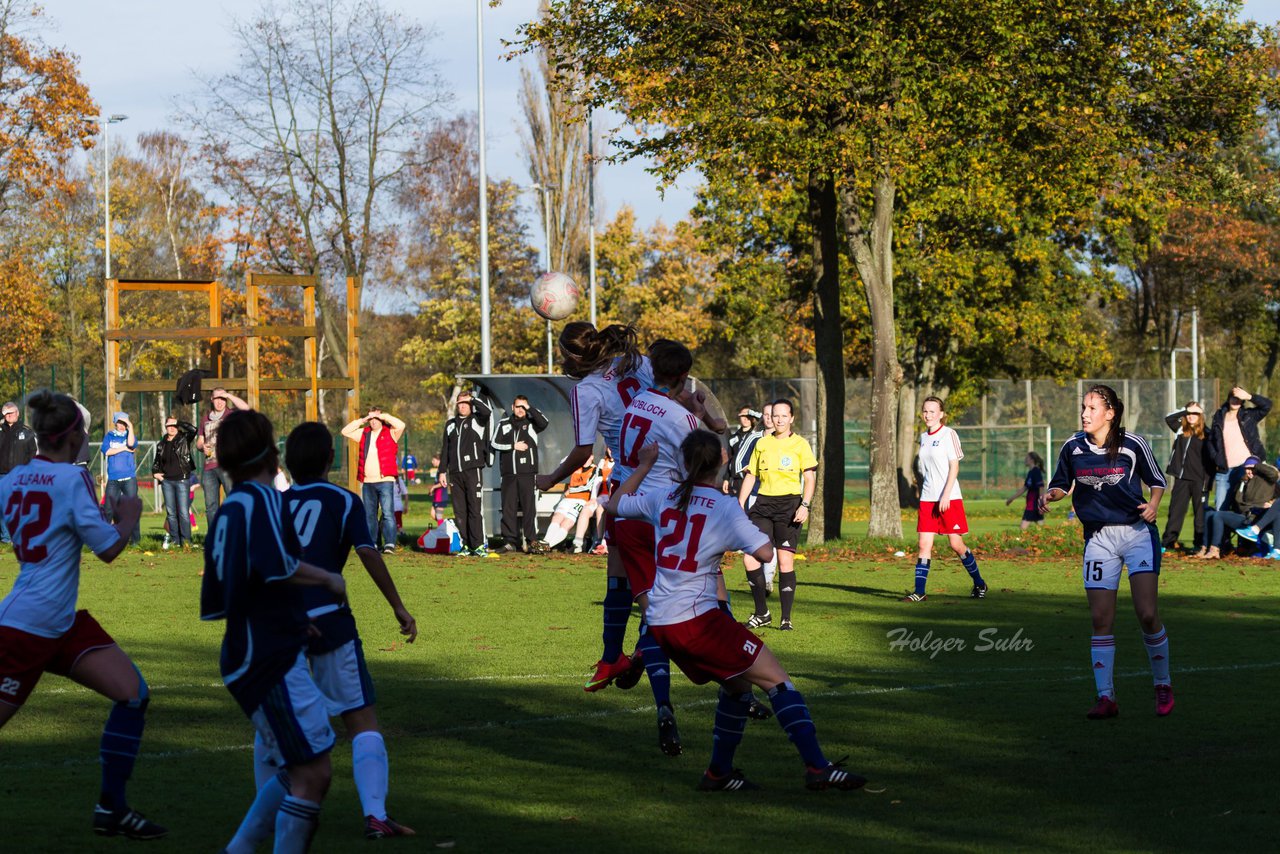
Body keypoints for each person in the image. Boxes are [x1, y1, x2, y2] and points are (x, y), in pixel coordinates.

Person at [609, 433, 867, 792]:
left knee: (737, 684)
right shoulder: (723, 506)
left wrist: (644, 465)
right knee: (778, 680)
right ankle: (817, 767)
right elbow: (764, 552)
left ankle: (718, 773)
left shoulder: (663, 496)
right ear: (722, 461)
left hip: (659, 622)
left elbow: (614, 504)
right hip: (697, 620)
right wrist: (728, 537)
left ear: (683, 463)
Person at [0, 390, 167, 839]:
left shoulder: (12, 478)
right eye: (84, 433)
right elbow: (110, 548)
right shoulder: (71, 481)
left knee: (132, 692)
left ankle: (111, 808)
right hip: (31, 628)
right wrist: (129, 515)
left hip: (54, 620)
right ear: (72, 437)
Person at [200, 409, 348, 853]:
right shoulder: (261, 499)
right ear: (269, 451)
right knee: (312, 773)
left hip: (259, 647)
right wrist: (326, 579)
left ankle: (240, 848)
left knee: (301, 764)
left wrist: (293, 620)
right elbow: (275, 566)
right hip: (266, 657)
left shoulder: (233, 506)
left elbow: (238, 584)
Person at [275, 422, 418, 839]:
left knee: (285, 729)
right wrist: (397, 605)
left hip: (281, 625)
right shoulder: (344, 500)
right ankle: (375, 815)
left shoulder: (278, 504)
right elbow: (368, 553)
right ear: (329, 460)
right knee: (361, 720)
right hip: (328, 618)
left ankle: (268, 818)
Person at [610, 338, 728, 755]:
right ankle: (738, 687)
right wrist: (708, 420)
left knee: (653, 612)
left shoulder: (634, 403)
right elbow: (710, 463)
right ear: (683, 377)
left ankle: (663, 705)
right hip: (664, 518)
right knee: (711, 594)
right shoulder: (682, 419)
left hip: (628, 514)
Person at [1040, 383, 1173, 719]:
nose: (1085, 414)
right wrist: (1051, 496)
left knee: (1146, 614)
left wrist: (1154, 505)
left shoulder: (1133, 444)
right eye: (1083, 408)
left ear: (1110, 413)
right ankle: (1106, 697)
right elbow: (1061, 483)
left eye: (1092, 408)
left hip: (1136, 533)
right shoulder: (1072, 446)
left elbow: (1157, 480)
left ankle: (1163, 684)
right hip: (1098, 538)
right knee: (1101, 618)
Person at [534, 322, 653, 695]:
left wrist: (551, 477)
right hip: (670, 477)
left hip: (630, 483)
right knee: (670, 573)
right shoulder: (637, 362)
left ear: (571, 356)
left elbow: (584, 450)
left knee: (620, 573)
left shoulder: (585, 391)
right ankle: (642, 648)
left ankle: (614, 654)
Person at [739, 398, 819, 626]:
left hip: (790, 507)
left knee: (785, 562)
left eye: (784, 415)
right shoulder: (762, 444)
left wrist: (805, 505)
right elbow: (751, 475)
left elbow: (809, 478)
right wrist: (740, 503)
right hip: (763, 506)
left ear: (792, 418)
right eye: (776, 415)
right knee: (750, 559)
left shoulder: (801, 444)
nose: (780, 419)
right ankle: (762, 613)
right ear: (770, 418)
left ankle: (786, 618)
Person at [901, 396, 987, 603]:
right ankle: (919, 591)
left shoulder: (950, 434)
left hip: (949, 498)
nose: (928, 415)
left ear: (941, 414)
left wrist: (946, 494)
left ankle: (979, 583)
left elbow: (954, 466)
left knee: (956, 544)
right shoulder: (923, 437)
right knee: (923, 544)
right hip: (928, 499)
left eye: (932, 411)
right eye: (925, 411)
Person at [342, 407, 407, 554]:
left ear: (381, 419)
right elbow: (345, 431)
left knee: (388, 513)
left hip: (385, 480)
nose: (373, 422)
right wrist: (362, 420)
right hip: (367, 481)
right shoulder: (364, 433)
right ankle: (373, 543)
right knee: (369, 514)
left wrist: (384, 415)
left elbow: (401, 425)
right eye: (371, 419)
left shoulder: (391, 432)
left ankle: (389, 543)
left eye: (376, 418)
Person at [491, 395, 549, 552]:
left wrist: (530, 408)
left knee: (529, 508)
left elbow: (544, 422)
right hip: (508, 474)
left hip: (527, 473)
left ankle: (531, 541)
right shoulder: (503, 424)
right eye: (518, 406)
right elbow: (494, 443)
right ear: (512, 407)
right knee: (508, 508)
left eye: (523, 407)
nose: (521, 410)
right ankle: (509, 542)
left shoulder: (531, 423)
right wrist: (512, 446)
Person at [732, 403, 778, 593]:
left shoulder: (788, 441)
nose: (769, 418)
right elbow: (739, 465)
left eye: (772, 414)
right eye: (766, 415)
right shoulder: (753, 438)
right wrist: (756, 474)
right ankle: (759, 579)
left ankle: (768, 580)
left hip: (779, 498)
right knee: (757, 539)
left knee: (773, 539)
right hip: (755, 496)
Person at [439, 391, 492, 556]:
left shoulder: (477, 420)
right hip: (455, 473)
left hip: (472, 470)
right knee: (459, 512)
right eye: (460, 403)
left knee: (474, 509)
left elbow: (487, 412)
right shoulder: (450, 424)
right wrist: (442, 471)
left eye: (466, 403)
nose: (462, 406)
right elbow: (445, 450)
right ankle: (467, 545)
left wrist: (473, 399)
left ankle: (478, 545)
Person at [1200, 456, 1279, 559]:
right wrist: (1253, 506)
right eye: (1247, 468)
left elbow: (1274, 474)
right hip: (1245, 516)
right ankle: (1211, 549)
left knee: (1217, 515)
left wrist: (1256, 465)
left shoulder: (1266, 480)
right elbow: (1239, 504)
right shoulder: (1242, 482)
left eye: (1252, 469)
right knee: (1215, 514)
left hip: (1259, 518)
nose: (1249, 471)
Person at [1162, 402, 1213, 555]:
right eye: (1189, 413)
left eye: (1195, 413)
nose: (1191, 416)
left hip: (1200, 481)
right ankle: (1168, 542)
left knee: (1200, 515)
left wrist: (1208, 480)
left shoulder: (1207, 434)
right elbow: (1169, 419)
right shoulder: (1180, 430)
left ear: (1201, 415)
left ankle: (1199, 544)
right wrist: (1186, 410)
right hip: (1182, 479)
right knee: (1175, 511)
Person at [1208, 386, 1271, 510]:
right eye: (1233, 398)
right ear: (1228, 398)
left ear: (1242, 401)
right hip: (1225, 471)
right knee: (1220, 509)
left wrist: (1249, 396)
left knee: (1245, 507)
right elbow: (1211, 441)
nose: (1235, 401)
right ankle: (1222, 530)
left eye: (1239, 399)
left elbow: (1267, 406)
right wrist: (1216, 458)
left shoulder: (1249, 415)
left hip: (1246, 469)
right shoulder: (1219, 417)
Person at [196, 387, 250, 522]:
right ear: (211, 399)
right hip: (209, 468)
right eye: (217, 398)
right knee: (210, 506)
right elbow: (199, 442)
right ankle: (214, 539)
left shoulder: (231, 415)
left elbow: (247, 409)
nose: (220, 402)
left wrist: (229, 396)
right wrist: (202, 447)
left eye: (223, 399)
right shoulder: (205, 419)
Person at [531, 455, 599, 553]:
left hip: (581, 500)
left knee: (567, 522)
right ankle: (545, 542)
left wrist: (572, 490)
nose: (584, 458)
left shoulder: (595, 470)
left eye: (587, 456)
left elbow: (587, 487)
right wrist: (575, 457)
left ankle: (546, 546)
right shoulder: (575, 466)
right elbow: (563, 463)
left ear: (592, 457)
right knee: (557, 517)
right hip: (568, 499)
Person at [152, 415, 198, 549]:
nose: (171, 428)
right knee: (171, 513)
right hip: (167, 482)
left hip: (182, 480)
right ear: (165, 427)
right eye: (169, 426)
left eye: (174, 425)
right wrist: (155, 474)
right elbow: (156, 463)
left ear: (177, 427)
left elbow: (193, 429)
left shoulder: (184, 438)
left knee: (183, 512)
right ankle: (175, 541)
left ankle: (187, 541)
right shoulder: (161, 444)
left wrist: (178, 421)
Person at [100, 411, 141, 547]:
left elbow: (131, 444)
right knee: (108, 509)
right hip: (113, 479)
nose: (122, 426)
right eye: (120, 423)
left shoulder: (130, 434)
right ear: (115, 423)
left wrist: (130, 426)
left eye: (124, 423)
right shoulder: (109, 436)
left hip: (129, 478)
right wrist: (123, 448)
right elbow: (107, 451)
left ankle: (136, 541)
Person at [0, 400, 38, 544]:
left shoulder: (27, 432)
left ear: (17, 413)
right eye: (6, 413)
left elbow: (32, 454)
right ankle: (6, 537)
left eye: (11, 412)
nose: (9, 415)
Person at [723, 407, 760, 496]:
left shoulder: (757, 437)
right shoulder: (733, 438)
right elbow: (731, 459)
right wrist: (726, 478)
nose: (746, 418)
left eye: (748, 416)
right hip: (735, 480)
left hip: (750, 478)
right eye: (743, 415)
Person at [1005, 451, 1046, 531]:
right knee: (1042, 529)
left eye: (1026, 458)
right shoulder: (1031, 472)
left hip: (1033, 504)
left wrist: (1041, 503)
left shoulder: (1036, 472)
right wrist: (1011, 499)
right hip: (1032, 503)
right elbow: (1024, 488)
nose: (1025, 460)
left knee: (1022, 528)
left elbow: (1041, 488)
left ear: (1031, 460)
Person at [429, 455, 447, 524]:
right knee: (433, 515)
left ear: (438, 460)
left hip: (441, 496)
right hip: (436, 496)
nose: (432, 462)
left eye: (433, 460)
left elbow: (443, 483)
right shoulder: (438, 470)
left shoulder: (442, 471)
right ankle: (444, 525)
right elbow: (437, 483)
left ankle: (443, 530)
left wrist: (433, 487)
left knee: (439, 516)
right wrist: (432, 490)